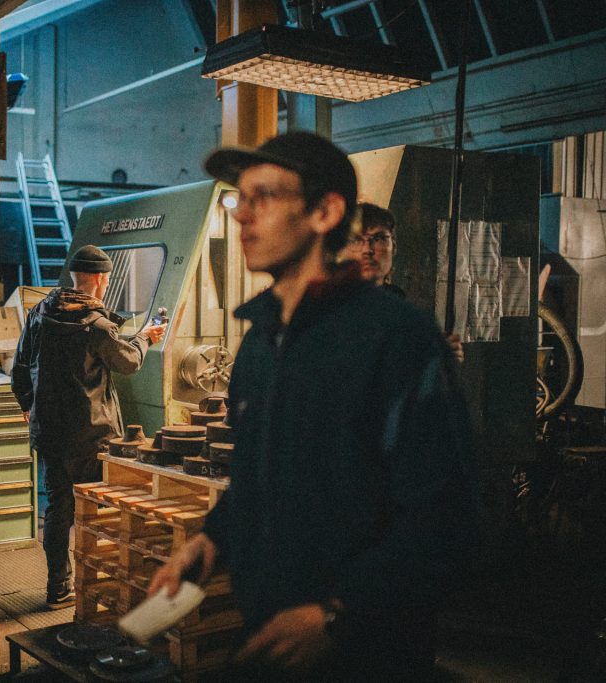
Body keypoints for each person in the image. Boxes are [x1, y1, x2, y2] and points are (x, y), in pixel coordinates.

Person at [148, 132, 479, 680]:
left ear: (325, 212)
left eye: (264, 197)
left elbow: (447, 520)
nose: (242, 215)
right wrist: (209, 541)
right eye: (240, 199)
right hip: (272, 638)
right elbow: (258, 478)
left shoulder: (397, 338)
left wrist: (336, 614)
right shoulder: (261, 342)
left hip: (371, 654)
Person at [12, 245, 166, 607]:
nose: (107, 284)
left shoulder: (39, 314)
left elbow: (19, 368)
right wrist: (146, 337)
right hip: (92, 437)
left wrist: (28, 405)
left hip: (51, 435)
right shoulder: (96, 326)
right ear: (99, 279)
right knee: (100, 511)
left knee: (58, 509)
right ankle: (98, 585)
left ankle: (58, 588)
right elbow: (128, 362)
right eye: (108, 279)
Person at [345, 202, 465, 362]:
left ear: (393, 247)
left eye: (379, 238)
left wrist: (438, 355)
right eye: (357, 240)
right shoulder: (330, 306)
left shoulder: (401, 308)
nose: (368, 249)